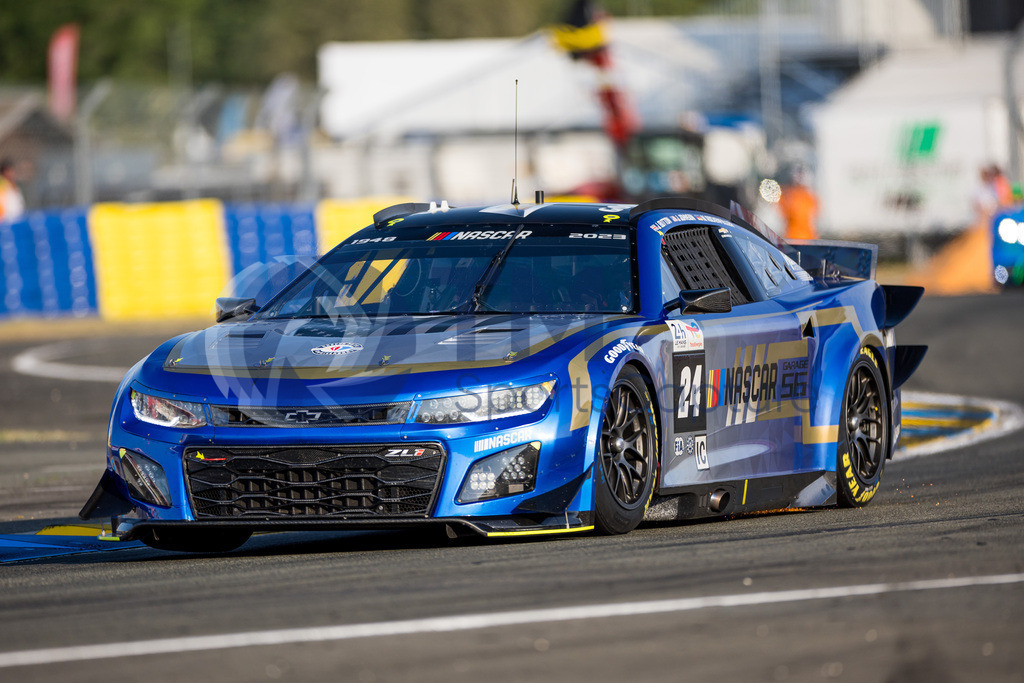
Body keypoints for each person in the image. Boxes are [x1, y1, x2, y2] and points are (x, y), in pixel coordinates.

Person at [778, 167, 818, 241]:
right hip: (792, 236)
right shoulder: (788, 195)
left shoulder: (809, 196)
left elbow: (814, 214)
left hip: (807, 237)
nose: (800, 178)